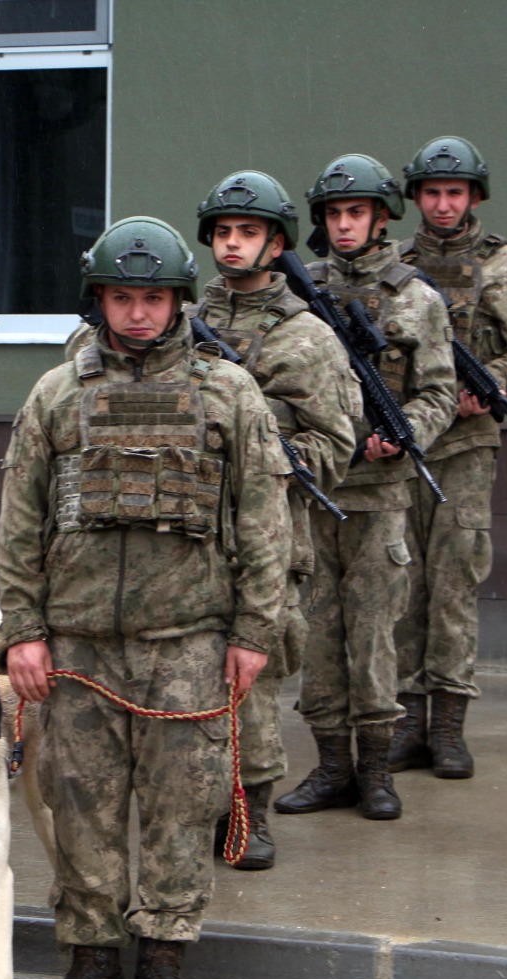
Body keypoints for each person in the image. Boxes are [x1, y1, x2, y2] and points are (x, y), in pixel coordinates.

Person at [0, 217, 290, 979]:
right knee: (80, 806)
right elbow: (19, 522)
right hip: (80, 646)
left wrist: (253, 633)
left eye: (152, 299)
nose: (137, 314)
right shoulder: (55, 396)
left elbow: (266, 521)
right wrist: (23, 629)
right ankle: (91, 965)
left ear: (178, 302)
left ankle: (162, 966)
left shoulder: (229, 395)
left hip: (188, 643)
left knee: (179, 810)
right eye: (121, 298)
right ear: (98, 301)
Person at [273, 154, 456, 822]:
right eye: (333, 214)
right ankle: (330, 767)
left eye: (356, 213)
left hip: (379, 494)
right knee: (317, 633)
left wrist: (403, 433)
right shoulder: (295, 295)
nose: (344, 225)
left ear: (382, 217)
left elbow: (439, 390)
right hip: (315, 488)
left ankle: (377, 769)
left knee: (375, 636)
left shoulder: (416, 298)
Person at [193, 171, 360, 868]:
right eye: (225, 233)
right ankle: (193, 807)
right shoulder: (178, 317)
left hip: (265, 533)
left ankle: (251, 814)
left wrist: (273, 458)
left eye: (249, 233)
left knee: (253, 681)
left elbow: (336, 442)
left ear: (277, 242)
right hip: (187, 529)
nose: (234, 246)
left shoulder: (306, 336)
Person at [391, 136, 507, 779]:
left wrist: (480, 390)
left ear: (474, 197)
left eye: (453, 193)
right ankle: (404, 723)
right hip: (402, 443)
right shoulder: (395, 266)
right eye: (431, 193)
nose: (441, 204)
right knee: (402, 585)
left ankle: (449, 727)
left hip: (465, 445)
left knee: (454, 583)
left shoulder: (504, 265)